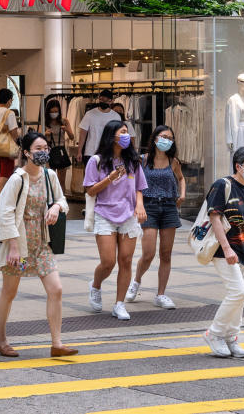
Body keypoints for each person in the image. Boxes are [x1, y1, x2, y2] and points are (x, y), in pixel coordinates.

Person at [0, 132, 78, 359]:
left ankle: (57, 343)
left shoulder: (50, 176)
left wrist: (56, 208)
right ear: (27, 153)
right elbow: (4, 212)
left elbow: (62, 200)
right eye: (38, 148)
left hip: (42, 242)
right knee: (9, 292)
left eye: (45, 147)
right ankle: (1, 340)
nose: (43, 152)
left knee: (56, 289)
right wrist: (12, 246)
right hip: (19, 243)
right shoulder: (17, 178)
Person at [82, 120, 147, 320]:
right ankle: (96, 285)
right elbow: (90, 190)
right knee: (108, 261)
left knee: (126, 260)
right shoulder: (96, 161)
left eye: (127, 132)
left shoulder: (132, 161)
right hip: (105, 214)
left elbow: (139, 187)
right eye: (123, 132)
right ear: (112, 136)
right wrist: (109, 178)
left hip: (128, 215)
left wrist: (139, 205)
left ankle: (119, 304)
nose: (126, 136)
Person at [203, 146, 244, 358]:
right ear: (238, 166)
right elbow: (215, 217)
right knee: (237, 292)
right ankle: (215, 333)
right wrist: (227, 248)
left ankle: (231, 338)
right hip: (224, 250)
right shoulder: (223, 185)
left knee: (240, 297)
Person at [129, 125, 186, 309]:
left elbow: (181, 178)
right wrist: (139, 205)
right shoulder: (143, 160)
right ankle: (136, 281)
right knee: (148, 253)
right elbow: (136, 184)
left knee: (166, 254)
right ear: (154, 139)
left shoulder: (173, 161)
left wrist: (182, 194)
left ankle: (161, 294)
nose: (166, 140)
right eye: (163, 136)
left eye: (170, 138)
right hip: (149, 206)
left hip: (169, 206)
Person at [0, 88, 23, 203]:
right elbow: (14, 132)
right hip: (6, 150)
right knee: (5, 178)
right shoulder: (9, 113)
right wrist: (16, 141)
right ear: (9, 101)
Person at [43, 98, 77, 193]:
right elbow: (39, 138)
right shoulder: (45, 122)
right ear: (48, 111)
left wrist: (66, 129)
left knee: (61, 181)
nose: (54, 113)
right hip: (49, 152)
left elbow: (72, 137)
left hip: (61, 152)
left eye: (56, 111)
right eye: (52, 111)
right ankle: (52, 201)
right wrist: (45, 134)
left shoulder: (64, 121)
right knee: (50, 180)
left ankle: (62, 202)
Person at [78, 90, 118, 162]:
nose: (103, 102)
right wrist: (79, 151)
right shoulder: (90, 114)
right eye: (101, 99)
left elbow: (117, 137)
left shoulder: (116, 116)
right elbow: (83, 133)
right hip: (91, 152)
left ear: (111, 101)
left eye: (106, 100)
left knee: (108, 173)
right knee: (90, 173)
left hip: (108, 153)